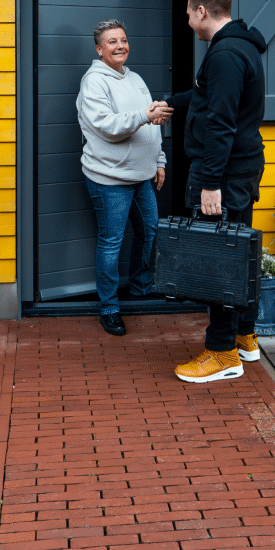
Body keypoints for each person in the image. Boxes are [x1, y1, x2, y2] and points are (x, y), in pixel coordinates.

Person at [160, 0, 267, 383]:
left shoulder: (224, 54)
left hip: (225, 175)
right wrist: (171, 103)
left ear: (202, 11)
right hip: (240, 169)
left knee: (219, 260)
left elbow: (221, 121)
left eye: (189, 13)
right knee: (238, 253)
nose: (188, 20)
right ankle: (243, 336)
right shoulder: (239, 47)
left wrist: (209, 182)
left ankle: (222, 353)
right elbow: (208, 97)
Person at [77, 19, 172, 336]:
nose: (120, 46)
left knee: (149, 230)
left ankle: (141, 291)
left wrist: (159, 160)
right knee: (111, 243)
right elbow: (108, 126)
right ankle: (109, 309)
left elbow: (154, 124)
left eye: (123, 40)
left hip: (141, 176)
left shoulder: (135, 78)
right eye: (112, 42)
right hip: (109, 179)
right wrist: (145, 115)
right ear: (99, 49)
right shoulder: (94, 82)